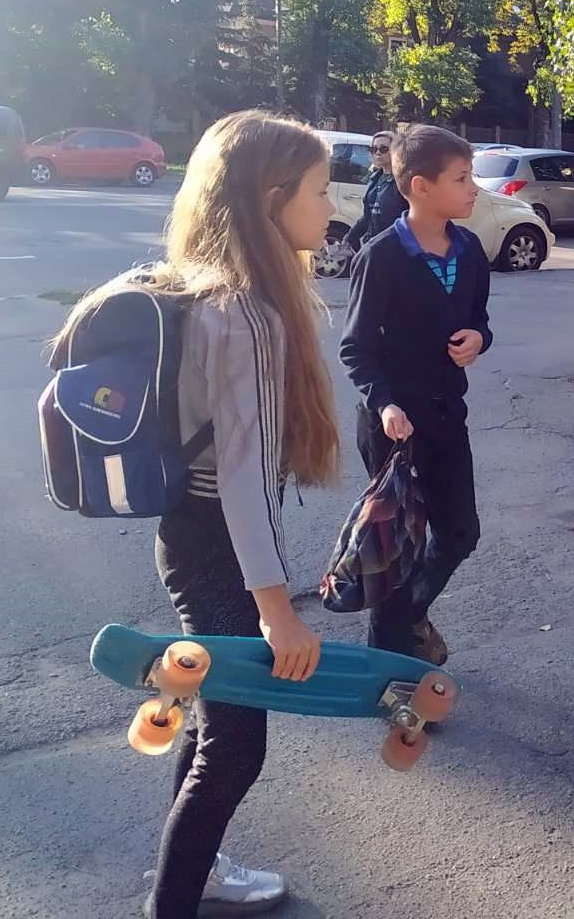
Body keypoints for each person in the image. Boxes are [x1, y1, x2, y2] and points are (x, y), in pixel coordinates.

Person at [54, 111, 341, 917]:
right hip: (216, 544)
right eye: (321, 191)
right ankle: (173, 904)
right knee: (236, 749)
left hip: (195, 534)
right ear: (271, 197)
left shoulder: (212, 291)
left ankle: (198, 874)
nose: (333, 208)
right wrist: (277, 611)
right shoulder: (245, 314)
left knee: (219, 728)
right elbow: (244, 477)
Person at [339, 124, 493, 665]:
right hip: (393, 427)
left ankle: (410, 619)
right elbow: (355, 348)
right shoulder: (381, 256)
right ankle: (388, 674)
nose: (474, 188)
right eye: (462, 178)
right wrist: (384, 403)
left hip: (447, 416)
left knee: (459, 533)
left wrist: (479, 338)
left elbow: (479, 319)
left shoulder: (469, 250)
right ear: (421, 187)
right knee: (394, 552)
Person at [345, 130, 407, 250]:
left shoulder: (403, 180)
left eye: (383, 149)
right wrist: (350, 237)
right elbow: (368, 215)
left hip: (394, 246)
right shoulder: (375, 178)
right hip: (373, 244)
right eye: (374, 149)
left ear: (395, 150)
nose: (378, 153)